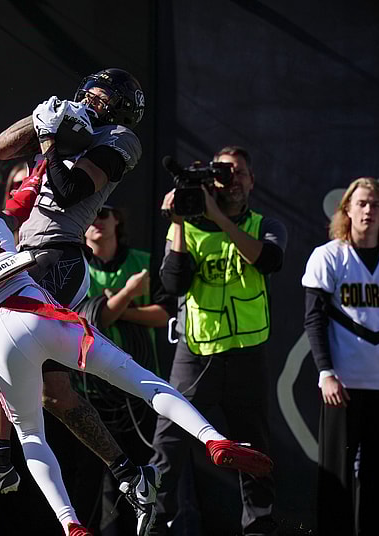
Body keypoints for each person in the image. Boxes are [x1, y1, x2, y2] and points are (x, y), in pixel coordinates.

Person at [0, 165, 272, 536]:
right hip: (48, 314)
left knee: (32, 435)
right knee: (145, 382)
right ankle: (213, 439)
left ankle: (70, 523)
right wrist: (38, 168)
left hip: (0, 333)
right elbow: (20, 205)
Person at [0, 68, 164, 536]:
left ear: (122, 105)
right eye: (91, 92)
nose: (93, 100)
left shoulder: (120, 138)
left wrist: (50, 140)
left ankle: (0, 458)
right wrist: (45, 119)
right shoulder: (72, 120)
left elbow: (69, 190)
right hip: (29, 258)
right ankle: (131, 473)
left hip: (60, 257)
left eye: (104, 96)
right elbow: (2, 148)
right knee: (55, 395)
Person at [152, 146, 285, 535]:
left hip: (246, 356)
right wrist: (178, 222)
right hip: (196, 353)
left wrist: (218, 217)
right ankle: (156, 521)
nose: (232, 181)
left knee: (254, 449)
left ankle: (258, 526)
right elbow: (173, 283)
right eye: (223, 174)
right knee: (169, 443)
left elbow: (269, 260)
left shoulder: (265, 224)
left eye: (239, 173)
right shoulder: (187, 228)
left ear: (252, 181)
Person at [301, 177, 379, 536]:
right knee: (336, 476)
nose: (369, 210)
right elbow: (314, 318)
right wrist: (325, 373)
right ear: (347, 211)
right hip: (342, 387)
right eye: (362, 203)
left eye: (376, 204)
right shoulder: (329, 256)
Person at [77, 205, 171, 535]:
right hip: (90, 391)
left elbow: (163, 315)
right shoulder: (75, 266)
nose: (97, 220)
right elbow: (90, 320)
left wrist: (116, 307)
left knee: (146, 479)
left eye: (104, 213)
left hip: (138, 392)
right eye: (90, 215)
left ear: (118, 219)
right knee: (96, 486)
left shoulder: (143, 262)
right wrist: (128, 294)